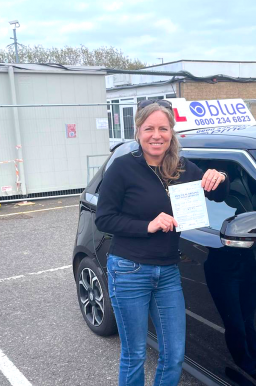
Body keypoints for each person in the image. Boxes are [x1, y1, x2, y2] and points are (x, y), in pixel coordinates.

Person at [95, 99, 229, 386]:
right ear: (138, 132)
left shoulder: (181, 168)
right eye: (149, 128)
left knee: (174, 354)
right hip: (129, 270)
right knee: (135, 355)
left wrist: (220, 176)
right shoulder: (122, 168)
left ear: (172, 132)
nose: (157, 135)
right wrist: (148, 225)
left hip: (167, 272)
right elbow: (104, 220)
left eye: (163, 129)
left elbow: (218, 194)